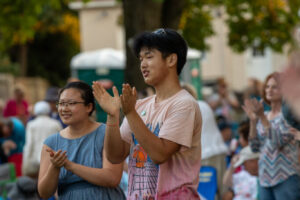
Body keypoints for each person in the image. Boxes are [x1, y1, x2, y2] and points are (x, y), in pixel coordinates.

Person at [93, 28, 202, 199]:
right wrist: (112, 115)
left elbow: (160, 154)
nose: (143, 64)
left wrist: (130, 113)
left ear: (172, 59)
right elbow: (114, 156)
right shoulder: (139, 106)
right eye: (141, 59)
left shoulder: (184, 104)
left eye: (149, 57)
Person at [38, 81, 125, 200]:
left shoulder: (106, 133)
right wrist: (55, 167)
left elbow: (112, 178)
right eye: (61, 103)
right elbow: (44, 193)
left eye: (71, 103)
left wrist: (70, 166)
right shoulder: (51, 143)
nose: (64, 108)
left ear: (89, 107)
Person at [243, 72, 300, 200]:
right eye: (267, 87)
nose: (269, 90)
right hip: (264, 178)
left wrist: (262, 117)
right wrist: (253, 121)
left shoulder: (289, 116)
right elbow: (254, 147)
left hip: (285, 177)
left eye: (275, 87)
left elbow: (277, 142)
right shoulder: (266, 114)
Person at [182, 82, 228, 199]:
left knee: (207, 193)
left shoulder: (187, 108)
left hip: (203, 155)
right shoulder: (203, 105)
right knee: (222, 190)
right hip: (219, 150)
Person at [22, 101, 62, 177]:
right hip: (53, 159)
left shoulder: (31, 124)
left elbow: (29, 144)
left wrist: (25, 165)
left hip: (36, 161)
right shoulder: (56, 123)